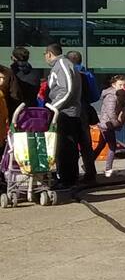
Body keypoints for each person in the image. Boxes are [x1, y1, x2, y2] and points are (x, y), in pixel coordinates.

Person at [43, 42, 83, 187]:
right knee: (64, 146)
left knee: (66, 146)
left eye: (45, 55)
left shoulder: (62, 65)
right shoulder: (61, 65)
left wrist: (53, 108)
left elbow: (66, 90)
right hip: (64, 111)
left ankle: (67, 178)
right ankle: (67, 177)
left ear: (49, 53)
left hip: (66, 113)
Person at [65, 50, 99, 184]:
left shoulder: (66, 73)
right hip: (84, 109)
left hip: (68, 110)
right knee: (86, 143)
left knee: (69, 142)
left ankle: (71, 174)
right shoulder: (88, 75)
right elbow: (95, 95)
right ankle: (90, 173)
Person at [96, 76, 125, 179]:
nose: (122, 87)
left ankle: (88, 164)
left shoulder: (117, 95)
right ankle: (108, 169)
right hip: (107, 124)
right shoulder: (112, 96)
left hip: (105, 123)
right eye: (120, 85)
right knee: (112, 147)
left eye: (124, 85)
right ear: (113, 85)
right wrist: (116, 123)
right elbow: (111, 112)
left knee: (101, 145)